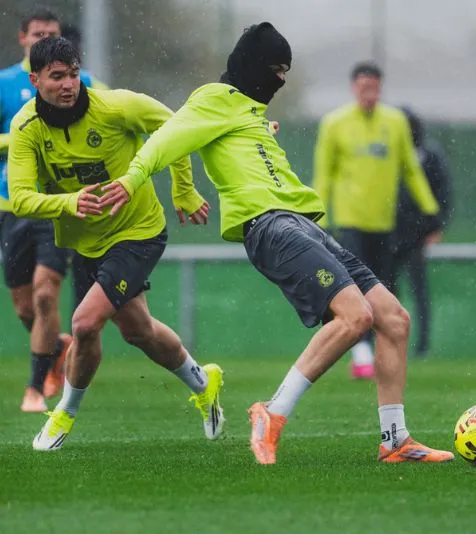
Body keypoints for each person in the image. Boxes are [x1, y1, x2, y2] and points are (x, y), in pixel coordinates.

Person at [108, 22, 454, 465]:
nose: (282, 80)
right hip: (270, 226)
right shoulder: (214, 98)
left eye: (287, 71)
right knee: (356, 317)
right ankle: (271, 413)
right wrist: (134, 178)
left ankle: (395, 440)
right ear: (252, 66)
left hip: (304, 224)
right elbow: (168, 139)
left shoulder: (247, 112)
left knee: (394, 318)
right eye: (277, 69)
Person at [8, 37, 224, 451]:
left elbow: (177, 128)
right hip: (87, 243)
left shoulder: (116, 106)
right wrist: (68, 202)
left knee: (85, 323)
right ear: (35, 80)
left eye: (73, 74)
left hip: (137, 232)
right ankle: (203, 381)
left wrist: (183, 188)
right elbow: (20, 197)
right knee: (137, 330)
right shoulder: (26, 127)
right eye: (57, 77)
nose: (69, 84)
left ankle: (62, 417)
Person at [0, 6, 103, 413]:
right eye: (37, 33)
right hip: (12, 205)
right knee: (25, 305)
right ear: (23, 38)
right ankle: (56, 347)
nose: (44, 39)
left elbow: (116, 121)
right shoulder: (6, 84)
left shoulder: (85, 85)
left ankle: (35, 386)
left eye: (52, 33)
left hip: (59, 204)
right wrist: (18, 140)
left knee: (46, 292)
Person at [313, 61, 440, 379]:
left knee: (385, 288)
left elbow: (410, 168)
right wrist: (320, 216)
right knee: (354, 289)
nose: (369, 93)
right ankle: (361, 351)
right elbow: (323, 174)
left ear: (381, 89)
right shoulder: (335, 123)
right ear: (353, 88)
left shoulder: (394, 122)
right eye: (363, 87)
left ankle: (383, 351)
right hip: (350, 220)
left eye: (374, 87)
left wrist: (430, 210)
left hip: (385, 223)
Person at [390, 106, 452, 357]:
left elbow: (444, 192)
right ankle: (387, 344)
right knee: (386, 294)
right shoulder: (387, 154)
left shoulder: (430, 155)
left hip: (417, 236)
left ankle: (422, 346)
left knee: (419, 293)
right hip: (387, 234)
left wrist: (437, 226)